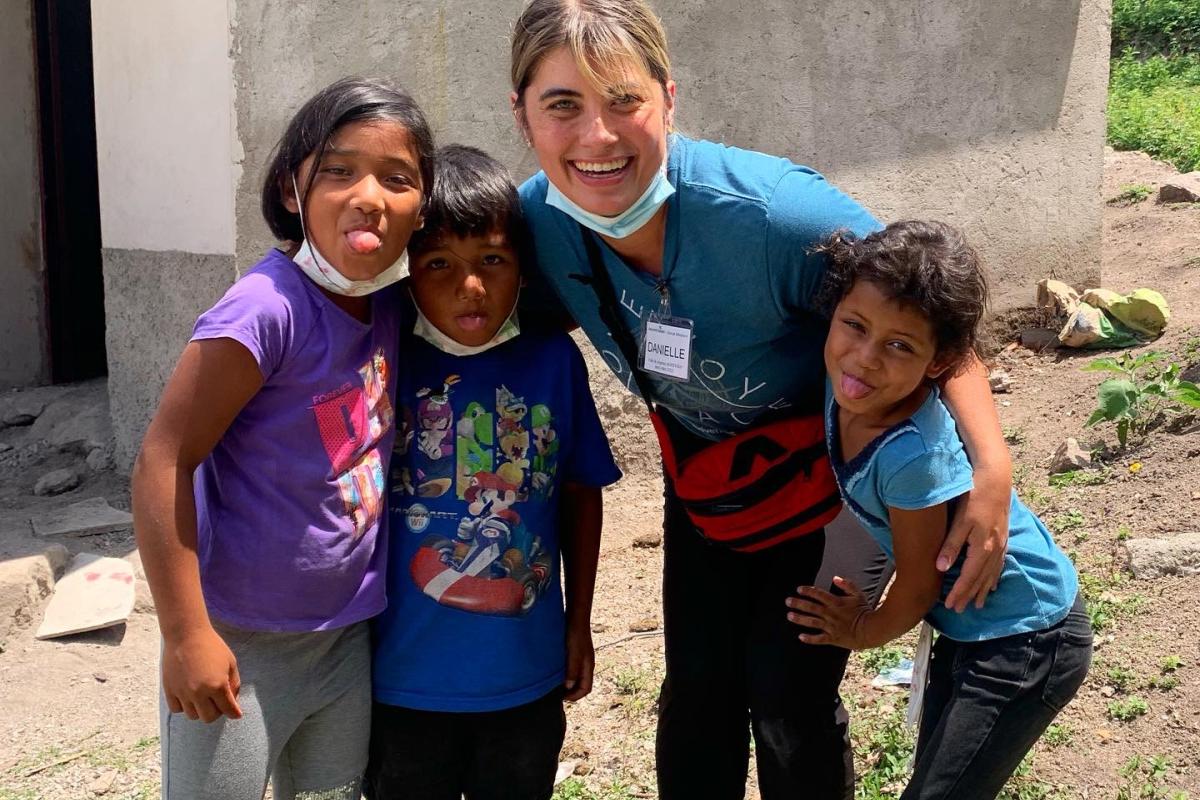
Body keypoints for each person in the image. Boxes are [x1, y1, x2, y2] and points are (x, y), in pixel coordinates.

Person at [508, 1, 1017, 797]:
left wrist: (991, 466)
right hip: (706, 478)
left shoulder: (776, 217)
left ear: (668, 99)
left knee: (789, 698)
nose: (596, 137)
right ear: (523, 116)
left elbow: (929, 324)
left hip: (826, 489)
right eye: (562, 105)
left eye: (623, 101)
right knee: (698, 692)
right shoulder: (536, 222)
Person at [131, 77, 433, 800]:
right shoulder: (262, 314)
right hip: (241, 645)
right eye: (338, 170)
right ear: (290, 190)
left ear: (422, 208)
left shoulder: (387, 301)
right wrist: (186, 636)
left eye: (398, 179)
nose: (369, 196)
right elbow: (162, 461)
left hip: (343, 639)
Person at [787, 220, 1092, 800]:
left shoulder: (912, 454)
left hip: (1028, 639)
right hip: (974, 631)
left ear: (939, 361)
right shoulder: (843, 383)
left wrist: (862, 628)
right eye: (855, 325)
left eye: (900, 345)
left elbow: (920, 579)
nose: (865, 358)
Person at [365, 145, 622, 800]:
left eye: (492, 261)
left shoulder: (553, 362)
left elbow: (579, 494)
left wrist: (578, 624)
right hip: (401, 682)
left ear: (524, 271)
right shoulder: (383, 358)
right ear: (407, 274)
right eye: (439, 264)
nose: (469, 286)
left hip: (524, 680)